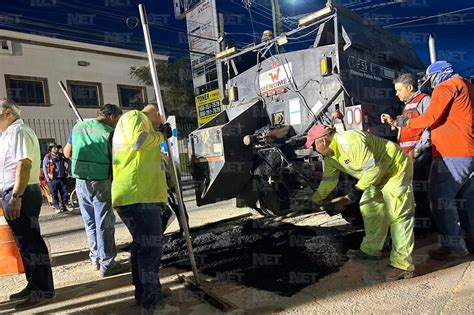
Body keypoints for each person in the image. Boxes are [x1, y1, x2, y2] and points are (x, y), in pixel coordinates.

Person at [305, 124, 415, 281]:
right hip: (375, 177)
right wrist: (315, 199)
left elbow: (373, 170)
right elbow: (329, 181)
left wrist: (353, 193)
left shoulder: (350, 141)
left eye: (313, 146)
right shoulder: (330, 157)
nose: (314, 150)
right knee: (369, 207)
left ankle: (402, 265)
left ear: (322, 141)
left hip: (394, 169)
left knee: (398, 214)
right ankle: (371, 250)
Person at [394, 61, 474, 260]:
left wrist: (402, 122)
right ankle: (470, 243)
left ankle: (454, 248)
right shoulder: (468, 86)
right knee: (466, 200)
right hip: (467, 151)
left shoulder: (446, 86)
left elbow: (430, 118)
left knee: (440, 199)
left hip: (451, 152)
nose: (431, 85)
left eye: (431, 80)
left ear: (439, 75)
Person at [111, 104, 172, 311]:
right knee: (150, 250)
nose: (162, 119)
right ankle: (153, 303)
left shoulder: (133, 122)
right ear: (154, 112)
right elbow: (140, 142)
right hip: (138, 196)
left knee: (141, 247)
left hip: (134, 195)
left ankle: (144, 293)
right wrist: (161, 135)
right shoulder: (136, 117)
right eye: (160, 115)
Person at [0, 98, 55, 310]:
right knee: (25, 244)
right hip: (13, 193)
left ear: (7, 113)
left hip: (21, 194)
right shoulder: (8, 135)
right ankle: (34, 285)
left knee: (32, 243)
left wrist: (16, 197)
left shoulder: (19, 132)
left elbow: (24, 164)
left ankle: (43, 290)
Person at [64, 104, 124, 277]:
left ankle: (95, 260)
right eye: (117, 120)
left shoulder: (78, 127)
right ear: (112, 117)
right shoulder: (110, 133)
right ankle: (107, 264)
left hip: (80, 182)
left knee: (90, 222)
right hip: (101, 181)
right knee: (104, 223)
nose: (116, 124)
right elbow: (116, 159)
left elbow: (67, 153)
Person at [381, 73, 432, 234]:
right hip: (409, 155)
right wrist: (392, 121)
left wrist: (417, 150)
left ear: (410, 88)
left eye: (399, 90)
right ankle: (421, 225)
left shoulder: (424, 100)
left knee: (421, 191)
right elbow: (407, 125)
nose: (396, 94)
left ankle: (427, 227)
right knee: (413, 191)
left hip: (420, 154)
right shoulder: (408, 105)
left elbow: (428, 126)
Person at [42, 142, 70, 213]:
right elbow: (44, 168)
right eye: (54, 147)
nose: (56, 149)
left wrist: (68, 170)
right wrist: (47, 178)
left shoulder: (61, 156)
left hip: (62, 177)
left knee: (65, 192)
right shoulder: (47, 157)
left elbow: (69, 162)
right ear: (51, 149)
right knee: (54, 193)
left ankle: (65, 205)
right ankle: (57, 207)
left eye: (57, 147)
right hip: (53, 178)